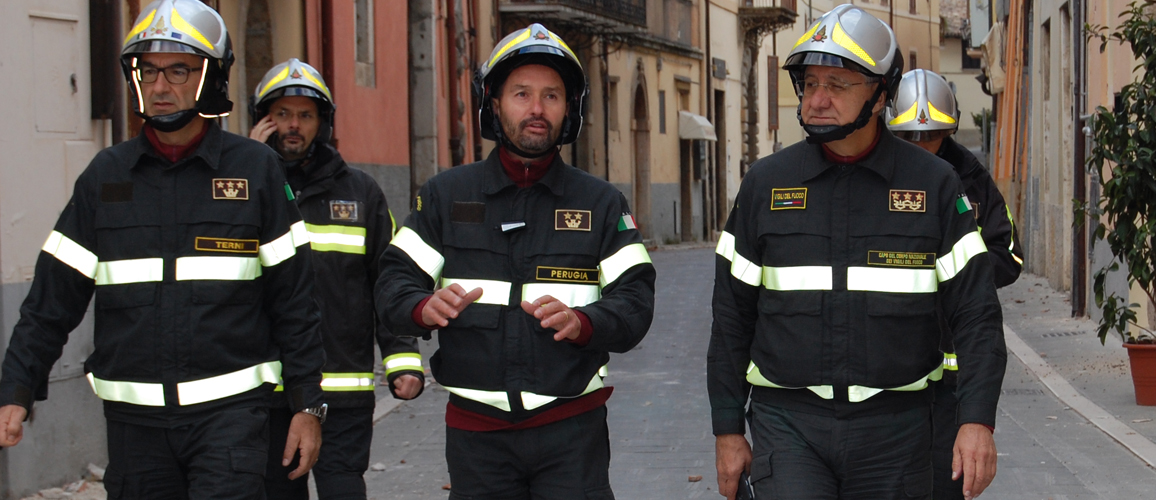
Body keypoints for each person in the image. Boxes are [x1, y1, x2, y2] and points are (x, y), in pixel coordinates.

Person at [0, 1, 326, 497]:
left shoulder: (255, 171)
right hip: (136, 433)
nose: (158, 87)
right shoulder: (105, 178)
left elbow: (296, 303)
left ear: (211, 77)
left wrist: (307, 406)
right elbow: (51, 299)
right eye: (148, 71)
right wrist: (16, 389)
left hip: (232, 422)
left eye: (178, 70)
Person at [708, 6, 1005, 500]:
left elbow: (976, 314)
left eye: (838, 84)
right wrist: (727, 428)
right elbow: (731, 317)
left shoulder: (933, 186)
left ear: (881, 94)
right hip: (789, 424)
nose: (818, 99)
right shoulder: (765, 184)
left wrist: (976, 421)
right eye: (811, 83)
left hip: (899, 431)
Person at [375, 23, 655, 499]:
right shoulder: (446, 196)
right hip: (477, 439)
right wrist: (421, 307)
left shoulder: (602, 203)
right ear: (495, 103)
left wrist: (585, 321)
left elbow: (635, 301)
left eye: (551, 96)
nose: (537, 110)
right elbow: (391, 282)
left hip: (573, 435)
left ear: (570, 109)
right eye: (521, 93)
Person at [247, 57, 426, 500]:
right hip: (270, 391)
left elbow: (387, 280)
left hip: (342, 388)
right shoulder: (242, 188)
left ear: (322, 123)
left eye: (304, 116)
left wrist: (402, 358)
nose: (293, 126)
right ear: (263, 121)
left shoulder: (361, 193)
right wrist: (250, 166)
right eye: (282, 114)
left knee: (344, 490)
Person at [887, 68, 1023, 500]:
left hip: (953, 374)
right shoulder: (880, 176)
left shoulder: (973, 179)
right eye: (911, 138)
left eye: (932, 137)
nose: (923, 147)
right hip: (891, 371)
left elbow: (1010, 254)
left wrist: (961, 274)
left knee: (946, 482)